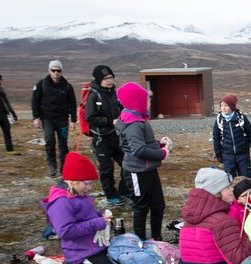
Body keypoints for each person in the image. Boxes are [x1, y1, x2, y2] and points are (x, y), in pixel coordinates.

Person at [41, 152, 127, 264]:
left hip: (95, 247)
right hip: (80, 253)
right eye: (87, 184)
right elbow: (66, 231)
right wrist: (97, 222)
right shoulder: (61, 203)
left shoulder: (80, 193)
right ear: (74, 180)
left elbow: (86, 215)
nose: (89, 188)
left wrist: (100, 215)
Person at [116, 82, 170, 241]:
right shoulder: (133, 124)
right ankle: (140, 241)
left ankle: (156, 238)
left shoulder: (138, 120)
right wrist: (162, 153)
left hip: (148, 170)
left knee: (158, 205)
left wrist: (159, 144)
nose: (149, 103)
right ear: (136, 102)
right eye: (146, 100)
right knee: (141, 207)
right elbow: (138, 150)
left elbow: (142, 144)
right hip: (137, 172)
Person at [85, 65, 129, 206]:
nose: (109, 81)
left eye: (111, 77)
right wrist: (111, 121)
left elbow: (124, 110)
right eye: (105, 79)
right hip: (101, 138)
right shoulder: (94, 96)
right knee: (106, 169)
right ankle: (111, 195)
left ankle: (124, 190)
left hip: (117, 136)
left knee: (127, 163)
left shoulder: (116, 94)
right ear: (99, 80)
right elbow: (90, 118)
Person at [31, 60, 77, 177]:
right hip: (47, 119)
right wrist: (36, 117)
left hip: (62, 120)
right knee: (50, 141)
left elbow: (72, 103)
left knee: (63, 144)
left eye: (58, 70)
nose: (56, 72)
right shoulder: (41, 84)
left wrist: (73, 120)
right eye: (53, 70)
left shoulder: (67, 86)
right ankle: (52, 165)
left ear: (62, 71)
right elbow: (35, 101)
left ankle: (64, 167)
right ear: (49, 71)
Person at [212, 94, 251, 179]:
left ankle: (248, 192)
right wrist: (218, 154)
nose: (223, 108)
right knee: (230, 179)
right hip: (227, 155)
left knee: (246, 178)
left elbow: (250, 133)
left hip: (243, 154)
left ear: (232, 106)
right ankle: (233, 192)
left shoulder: (241, 118)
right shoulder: (219, 120)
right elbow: (216, 138)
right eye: (221, 105)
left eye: (226, 105)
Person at [0, 72, 19, 156]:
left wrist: (12, 113)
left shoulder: (1, 89)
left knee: (7, 131)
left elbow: (6, 102)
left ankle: (10, 149)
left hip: (3, 114)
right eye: (0, 79)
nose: (2, 80)